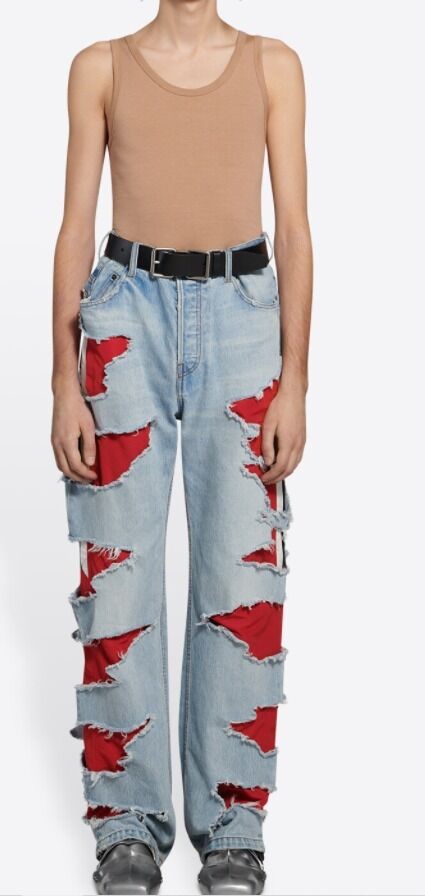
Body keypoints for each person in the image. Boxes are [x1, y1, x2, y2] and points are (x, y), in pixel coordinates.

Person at [51, 1, 312, 893]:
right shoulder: (100, 65)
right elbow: (75, 225)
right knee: (117, 572)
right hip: (125, 308)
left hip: (242, 316)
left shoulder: (272, 63)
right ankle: (126, 824)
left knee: (241, 575)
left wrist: (295, 379)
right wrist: (63, 379)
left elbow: (295, 228)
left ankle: (233, 826)